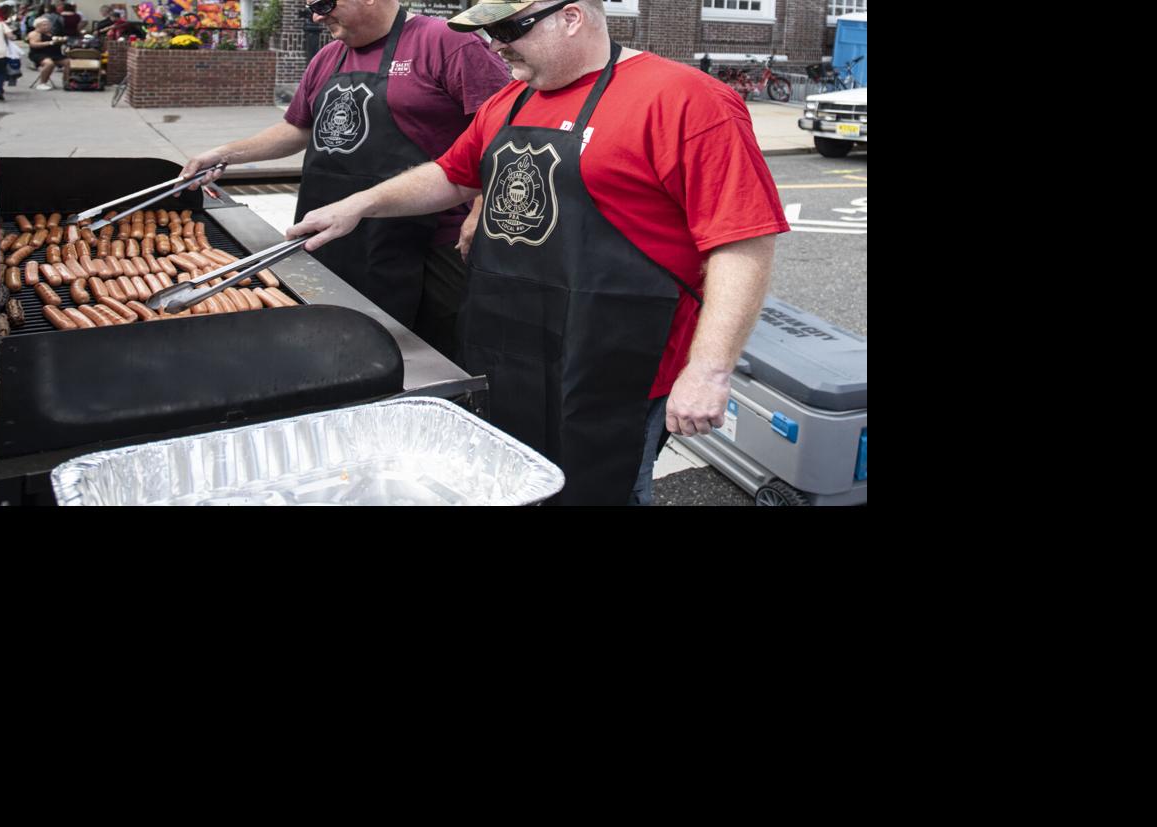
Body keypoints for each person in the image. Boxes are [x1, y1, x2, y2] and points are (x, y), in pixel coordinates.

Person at [288, 0, 788, 505]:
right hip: (513, 352)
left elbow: (742, 243)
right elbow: (452, 175)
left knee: (604, 490)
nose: (494, 43)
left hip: (619, 365)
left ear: (571, 17)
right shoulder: (511, 99)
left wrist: (709, 371)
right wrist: (359, 204)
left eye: (509, 28)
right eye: (489, 30)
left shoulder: (686, 99)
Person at [181, 0, 509, 362]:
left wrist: (482, 207)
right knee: (344, 353)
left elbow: (504, 129)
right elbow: (296, 128)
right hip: (336, 238)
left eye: (323, 3)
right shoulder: (328, 57)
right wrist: (226, 153)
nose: (317, 16)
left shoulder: (447, 43)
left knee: (432, 357)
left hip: (428, 244)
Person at [25, 15, 65, 89]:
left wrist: (60, 41)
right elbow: (33, 44)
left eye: (48, 25)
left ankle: (67, 82)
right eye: (44, 25)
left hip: (55, 54)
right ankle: (42, 83)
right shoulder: (34, 34)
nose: (47, 26)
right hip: (39, 54)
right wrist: (49, 43)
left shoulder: (52, 33)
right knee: (49, 63)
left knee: (69, 62)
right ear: (37, 26)